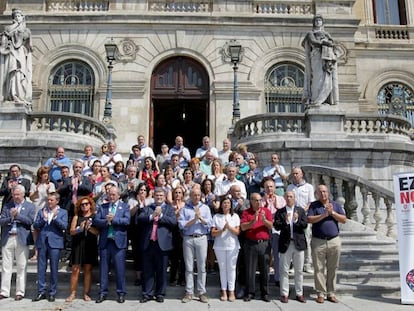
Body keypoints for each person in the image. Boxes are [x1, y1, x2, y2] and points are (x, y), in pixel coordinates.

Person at [307, 184, 347, 303]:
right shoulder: (314, 205)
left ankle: (331, 292)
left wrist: (332, 213)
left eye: (325, 191)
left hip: (334, 240)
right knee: (318, 268)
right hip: (318, 240)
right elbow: (309, 219)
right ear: (317, 194)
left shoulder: (336, 205)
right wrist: (324, 215)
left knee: (333, 267)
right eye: (320, 192)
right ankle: (320, 292)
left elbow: (344, 219)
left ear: (328, 193)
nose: (323, 194)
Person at [137, 188, 176, 303]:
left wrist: (161, 215)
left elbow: (173, 222)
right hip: (148, 243)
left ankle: (160, 293)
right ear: (153, 196)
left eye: (161, 195)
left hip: (162, 244)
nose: (159, 197)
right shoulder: (148, 208)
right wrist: (152, 215)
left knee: (161, 270)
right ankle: (147, 293)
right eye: (157, 195)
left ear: (164, 197)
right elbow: (140, 219)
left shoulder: (169, 209)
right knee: (147, 270)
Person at [94, 186, 130, 304]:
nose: (111, 196)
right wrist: (106, 221)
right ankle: (102, 293)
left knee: (120, 269)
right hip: (105, 242)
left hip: (118, 242)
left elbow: (126, 221)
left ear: (119, 195)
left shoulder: (124, 206)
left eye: (114, 194)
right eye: (109, 194)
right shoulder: (103, 207)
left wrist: (114, 220)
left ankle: (121, 293)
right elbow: (96, 221)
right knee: (103, 269)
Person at [0, 185, 35, 300]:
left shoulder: (30, 206)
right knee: (6, 266)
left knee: (21, 266)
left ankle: (20, 292)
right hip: (8, 237)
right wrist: (11, 217)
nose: (15, 197)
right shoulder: (7, 205)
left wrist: (18, 216)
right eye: (14, 194)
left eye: (18, 194)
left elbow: (30, 221)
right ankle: (4, 291)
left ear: (23, 194)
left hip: (22, 238)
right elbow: (2, 221)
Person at [178, 187, 213, 303]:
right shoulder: (184, 209)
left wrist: (200, 218)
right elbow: (181, 225)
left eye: (198, 195)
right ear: (190, 196)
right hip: (188, 239)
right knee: (189, 267)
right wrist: (194, 219)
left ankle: (201, 292)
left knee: (202, 267)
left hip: (201, 238)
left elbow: (209, 224)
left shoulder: (205, 208)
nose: (196, 197)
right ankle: (189, 292)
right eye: (194, 195)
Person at [32, 192, 68, 302]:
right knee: (41, 268)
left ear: (57, 201)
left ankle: (52, 292)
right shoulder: (42, 211)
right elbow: (35, 225)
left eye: (51, 200)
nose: (49, 202)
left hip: (55, 242)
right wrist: (43, 219)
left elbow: (64, 226)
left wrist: (55, 217)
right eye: (48, 200)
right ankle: (41, 291)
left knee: (54, 268)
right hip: (42, 242)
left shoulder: (63, 212)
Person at [274, 191, 308, 303]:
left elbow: (304, 225)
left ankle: (299, 293)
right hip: (285, 244)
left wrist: (296, 220)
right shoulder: (281, 211)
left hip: (298, 244)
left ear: (294, 198)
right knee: (284, 270)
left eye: (291, 197)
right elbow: (276, 226)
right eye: (287, 196)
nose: (289, 198)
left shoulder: (300, 211)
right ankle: (284, 293)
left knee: (299, 270)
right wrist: (286, 222)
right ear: (284, 198)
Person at [240, 193, 272, 302]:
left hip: (264, 243)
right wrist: (253, 221)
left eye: (260, 200)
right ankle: (250, 292)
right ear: (251, 201)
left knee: (265, 269)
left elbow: (271, 225)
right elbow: (243, 227)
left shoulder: (266, 211)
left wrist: (264, 220)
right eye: (256, 200)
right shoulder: (246, 212)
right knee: (250, 269)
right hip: (251, 243)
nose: (259, 202)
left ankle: (265, 293)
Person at [65, 196, 98, 302]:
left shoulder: (94, 216)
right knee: (75, 269)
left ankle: (86, 293)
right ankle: (72, 293)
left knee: (88, 269)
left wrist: (89, 228)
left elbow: (97, 232)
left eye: (86, 204)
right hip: (78, 244)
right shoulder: (76, 217)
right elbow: (72, 231)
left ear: (90, 205)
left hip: (90, 244)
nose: (84, 206)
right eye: (82, 204)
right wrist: (80, 228)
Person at [302, 14, 339, 106]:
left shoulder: (326, 34)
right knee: (317, 77)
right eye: (316, 20)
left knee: (327, 78)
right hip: (316, 55)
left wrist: (329, 43)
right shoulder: (310, 33)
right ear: (314, 23)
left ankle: (325, 100)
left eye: (320, 20)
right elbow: (313, 42)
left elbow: (333, 43)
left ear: (322, 23)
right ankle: (315, 99)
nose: (318, 22)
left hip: (326, 56)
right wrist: (323, 42)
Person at [286, 167, 315, 273]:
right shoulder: (289, 187)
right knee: (294, 241)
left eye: (297, 173)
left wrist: (301, 213)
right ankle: (295, 265)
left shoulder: (309, 187)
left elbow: (310, 202)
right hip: (292, 218)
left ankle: (307, 264)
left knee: (307, 240)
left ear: (302, 174)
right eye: (293, 173)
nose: (295, 175)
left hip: (304, 217)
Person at [211, 197, 240, 302]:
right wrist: (222, 229)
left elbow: (237, 232)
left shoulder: (235, 216)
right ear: (221, 205)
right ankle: (223, 290)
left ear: (231, 205)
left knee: (232, 268)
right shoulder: (216, 217)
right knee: (222, 268)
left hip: (233, 246)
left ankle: (231, 290)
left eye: (228, 203)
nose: (226, 205)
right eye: (224, 203)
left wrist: (229, 227)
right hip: (219, 246)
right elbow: (213, 233)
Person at [0, 9, 32, 103]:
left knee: (20, 72)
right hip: (11, 53)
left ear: (23, 18)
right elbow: (5, 35)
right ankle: (12, 94)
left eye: (19, 16)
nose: (17, 18)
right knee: (12, 71)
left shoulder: (26, 30)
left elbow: (25, 40)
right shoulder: (8, 28)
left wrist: (19, 27)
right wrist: (15, 26)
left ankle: (19, 94)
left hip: (20, 53)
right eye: (15, 16)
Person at [261, 177, 286, 286]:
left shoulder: (280, 199)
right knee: (265, 255)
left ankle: (277, 278)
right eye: (267, 187)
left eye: (271, 186)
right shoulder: (261, 199)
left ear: (275, 187)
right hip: (265, 230)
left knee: (277, 255)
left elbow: (284, 214)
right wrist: (266, 204)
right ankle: (264, 277)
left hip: (277, 230)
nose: (269, 189)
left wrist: (276, 206)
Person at [29, 166, 56, 261]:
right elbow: (31, 198)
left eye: (47, 173)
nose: (46, 175)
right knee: (35, 231)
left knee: (46, 230)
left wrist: (48, 191)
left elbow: (53, 198)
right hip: (36, 208)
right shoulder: (34, 184)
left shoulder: (51, 185)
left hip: (47, 209)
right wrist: (36, 190)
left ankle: (46, 253)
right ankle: (36, 253)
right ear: (40, 175)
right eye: (44, 173)